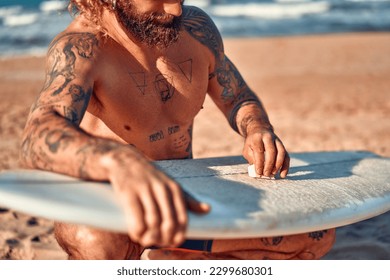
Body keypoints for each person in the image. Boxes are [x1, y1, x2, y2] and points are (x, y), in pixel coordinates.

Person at [20, 0, 335, 260]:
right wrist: (115, 162)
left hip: (185, 199)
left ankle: (174, 255)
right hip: (111, 204)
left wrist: (257, 128)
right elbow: (38, 135)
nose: (176, 12)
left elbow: (238, 97)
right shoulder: (80, 49)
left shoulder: (196, 30)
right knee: (95, 242)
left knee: (317, 235)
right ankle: (178, 255)